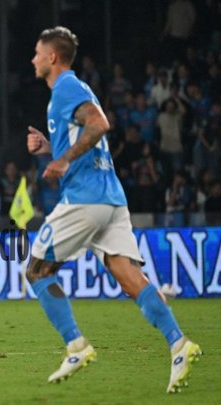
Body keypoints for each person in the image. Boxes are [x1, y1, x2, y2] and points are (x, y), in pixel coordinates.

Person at [26, 26, 201, 393]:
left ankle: (76, 345)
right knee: (128, 277)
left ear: (52, 57)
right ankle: (179, 344)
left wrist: (62, 161)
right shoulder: (73, 90)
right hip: (111, 198)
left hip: (85, 197)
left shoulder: (66, 87)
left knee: (37, 270)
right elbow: (82, 137)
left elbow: (100, 124)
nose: (33, 59)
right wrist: (50, 149)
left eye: (38, 53)